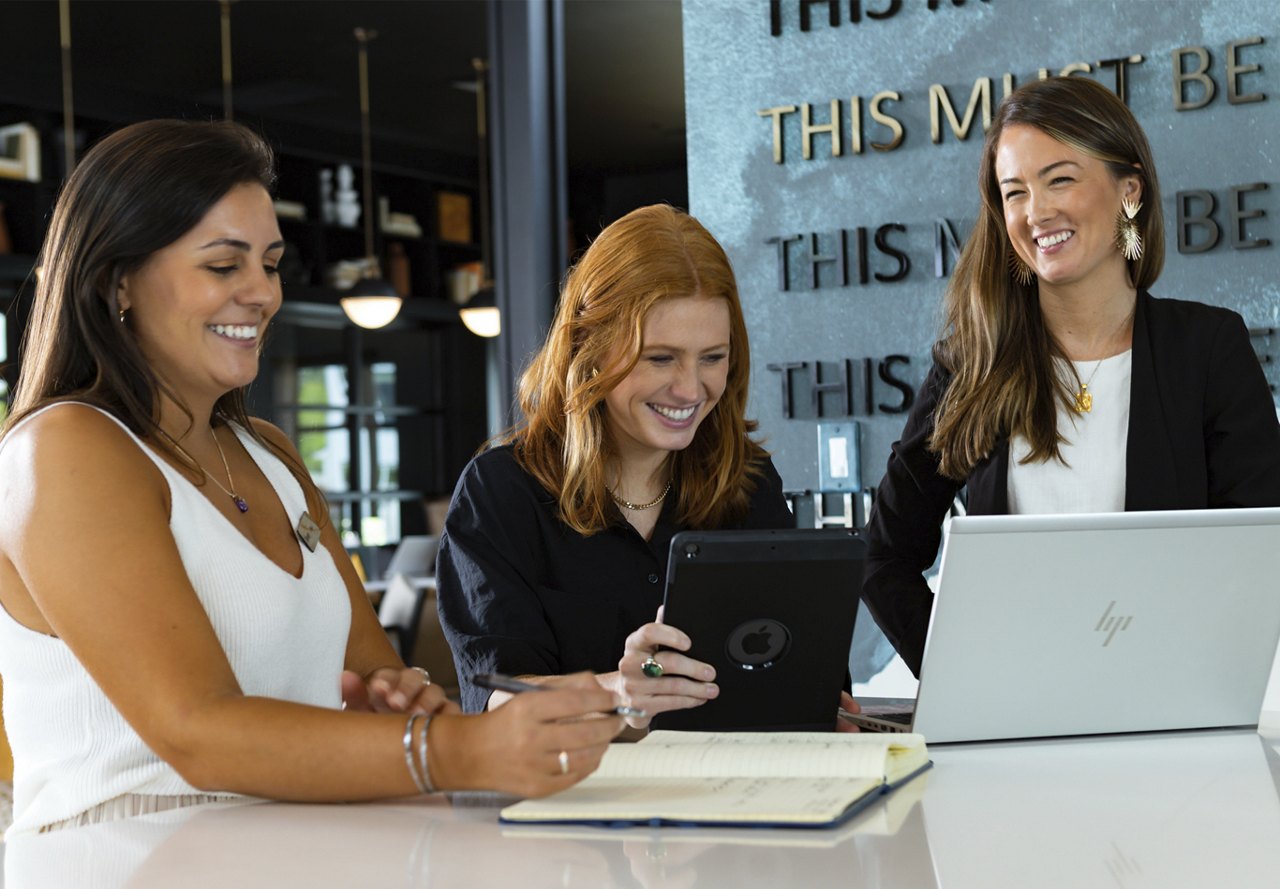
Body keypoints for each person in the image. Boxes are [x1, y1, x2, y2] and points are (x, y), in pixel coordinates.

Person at [0, 120, 622, 837]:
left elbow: (370, 676)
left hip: (298, 850)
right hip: (123, 856)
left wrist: (401, 702)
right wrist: (458, 748)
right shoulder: (66, 447)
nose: (262, 293)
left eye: (269, 263)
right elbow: (195, 731)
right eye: (224, 265)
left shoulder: (267, 452)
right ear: (117, 282)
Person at [862, 76, 1280, 677]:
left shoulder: (1208, 349)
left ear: (1128, 190)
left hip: (1170, 715)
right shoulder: (972, 364)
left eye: (1060, 179)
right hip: (1014, 727)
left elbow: (1257, 556)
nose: (1037, 212)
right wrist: (965, 674)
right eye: (1014, 192)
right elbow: (885, 556)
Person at [437, 204, 860, 726]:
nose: (689, 389)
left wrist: (819, 704)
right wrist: (618, 690)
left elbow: (796, 667)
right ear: (589, 348)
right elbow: (498, 700)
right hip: (576, 800)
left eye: (712, 358)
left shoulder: (748, 482)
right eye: (660, 358)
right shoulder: (499, 494)